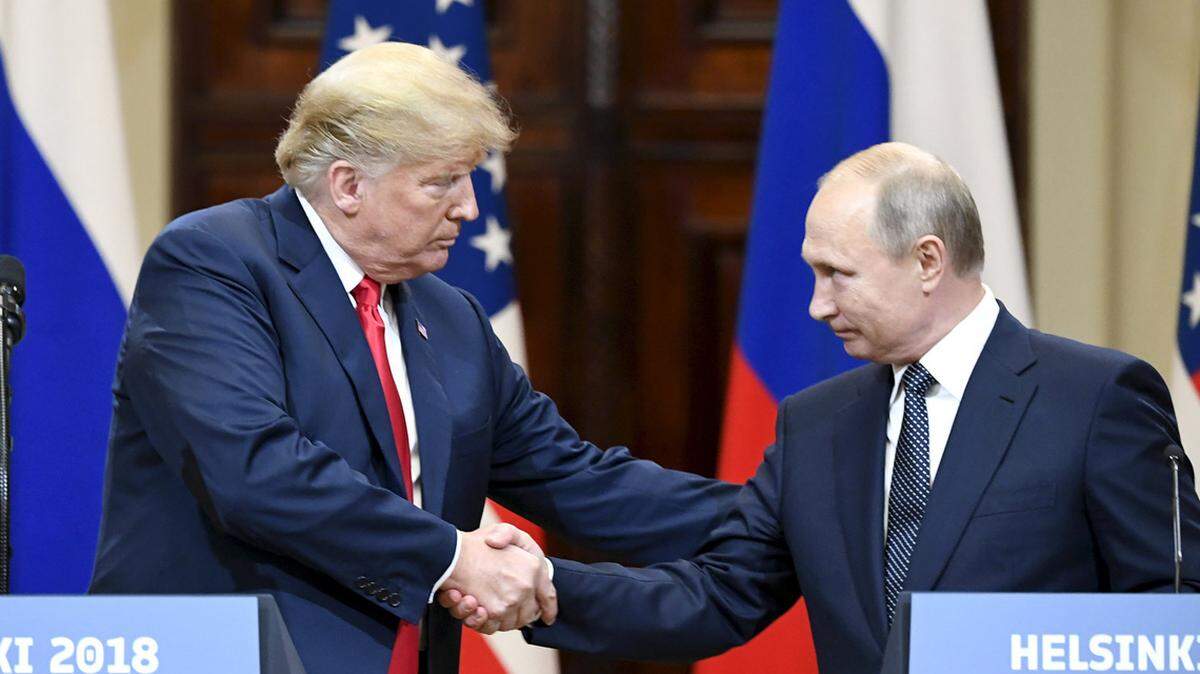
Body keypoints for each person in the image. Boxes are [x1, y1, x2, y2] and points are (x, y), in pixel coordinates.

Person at [89, 42, 737, 674]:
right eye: (442, 182)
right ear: (347, 185)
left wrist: (784, 510)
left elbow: (575, 479)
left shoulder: (449, 316)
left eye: (470, 178)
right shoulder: (213, 262)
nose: (469, 207)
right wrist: (455, 556)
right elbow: (255, 473)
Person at [443, 141, 1200, 673]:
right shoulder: (820, 423)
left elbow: (1174, 624)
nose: (815, 306)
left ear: (928, 260)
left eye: (838, 275)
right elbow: (719, 594)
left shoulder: (1095, 398)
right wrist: (540, 589)